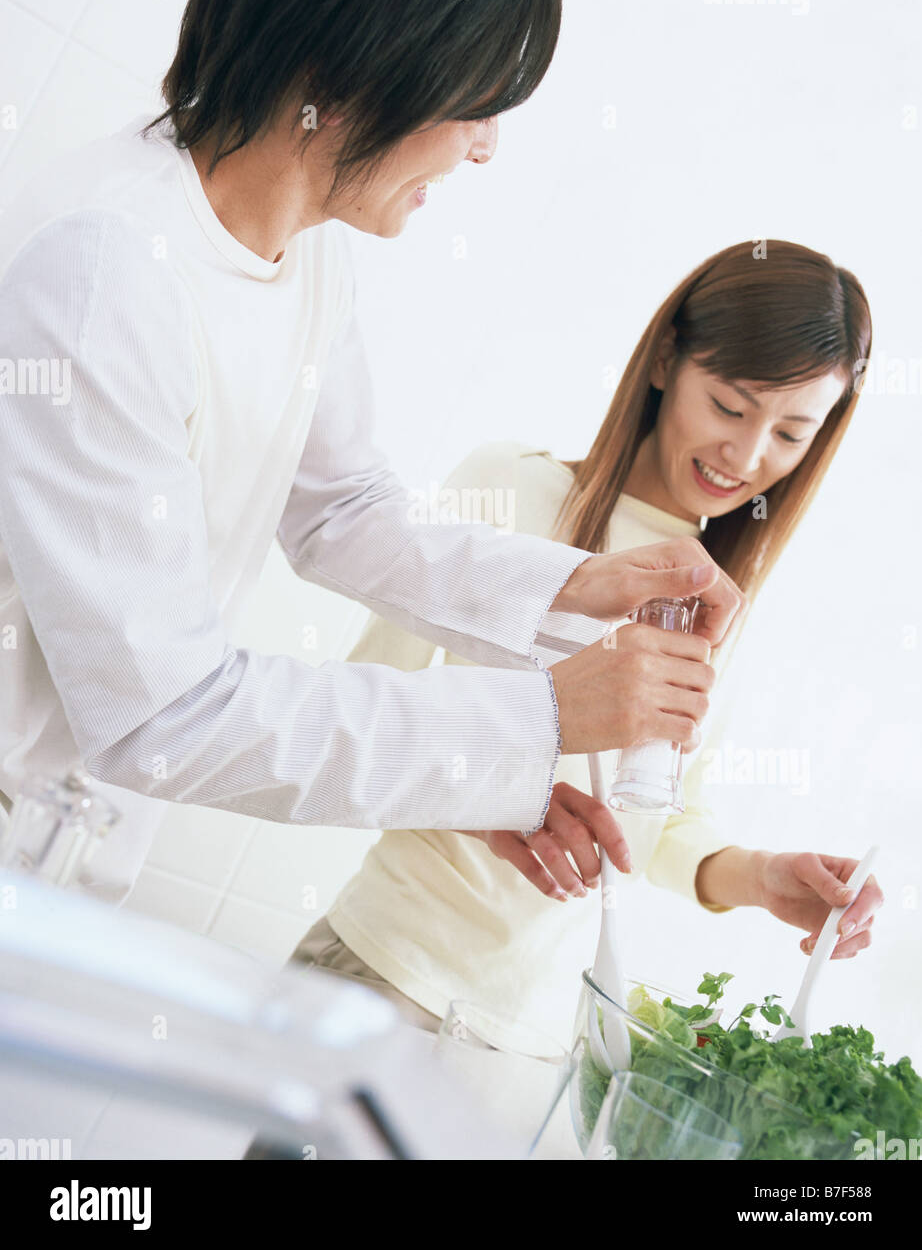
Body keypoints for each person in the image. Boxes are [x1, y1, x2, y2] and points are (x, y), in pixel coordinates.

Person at [0, 0, 741, 907]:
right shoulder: (108, 270)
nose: (485, 149)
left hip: (62, 856)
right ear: (353, 74)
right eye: (480, 103)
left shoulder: (304, 251)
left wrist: (574, 590)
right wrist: (541, 718)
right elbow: (161, 715)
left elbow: (342, 512)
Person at [292, 239, 885, 1043]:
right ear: (666, 360)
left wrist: (764, 879)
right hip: (385, 975)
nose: (746, 456)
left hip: (534, 1039)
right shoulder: (514, 488)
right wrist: (501, 801)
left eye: (790, 434)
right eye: (731, 407)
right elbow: (361, 710)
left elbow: (660, 823)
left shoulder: (717, 601)